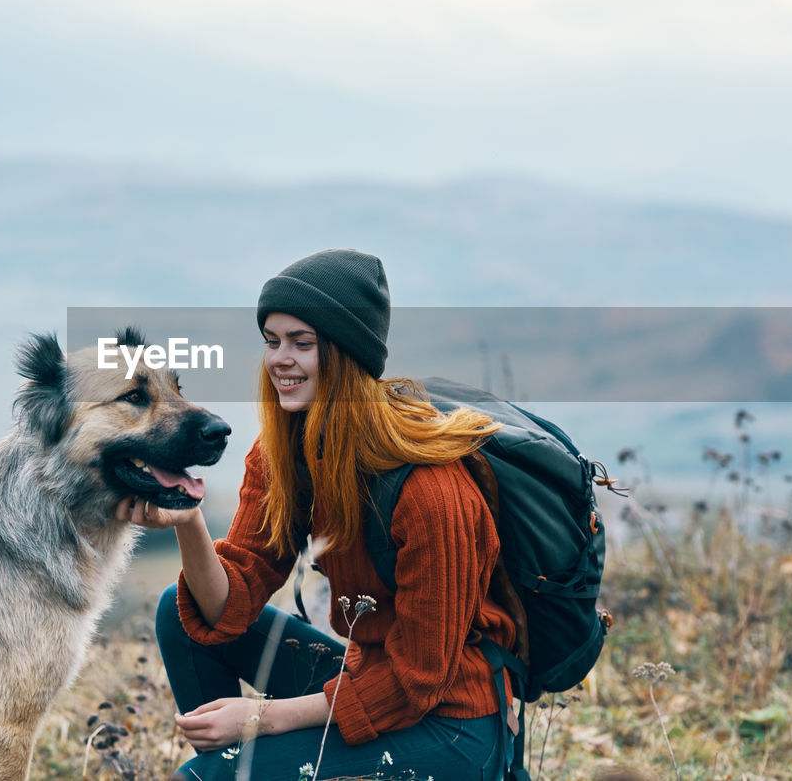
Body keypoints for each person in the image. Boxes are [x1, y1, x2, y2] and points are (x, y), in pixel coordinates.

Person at [116, 248, 518, 781]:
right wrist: (189, 519)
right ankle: (227, 767)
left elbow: (418, 681)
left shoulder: (430, 491)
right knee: (180, 613)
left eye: (302, 343)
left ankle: (225, 771)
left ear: (346, 354)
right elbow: (228, 604)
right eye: (272, 340)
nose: (281, 358)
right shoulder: (288, 452)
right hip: (370, 677)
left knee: (210, 778)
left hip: (452, 727)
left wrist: (261, 718)